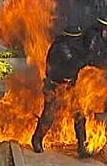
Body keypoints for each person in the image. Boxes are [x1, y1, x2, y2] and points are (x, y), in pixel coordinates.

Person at [31, 24, 90, 157]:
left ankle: (81, 146)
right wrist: (88, 57)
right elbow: (74, 63)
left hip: (69, 86)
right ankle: (37, 140)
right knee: (49, 116)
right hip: (55, 86)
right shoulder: (60, 48)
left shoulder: (71, 46)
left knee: (79, 116)